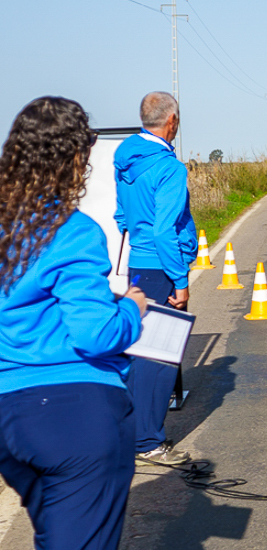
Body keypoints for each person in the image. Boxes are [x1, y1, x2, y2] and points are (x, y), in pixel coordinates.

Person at [0, 96, 147, 550]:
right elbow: (95, 334)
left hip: (9, 419)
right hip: (76, 416)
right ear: (75, 158)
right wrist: (131, 309)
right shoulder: (71, 229)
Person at [113, 91, 196, 466]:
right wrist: (180, 280)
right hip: (162, 267)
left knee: (138, 350)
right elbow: (164, 230)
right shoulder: (169, 168)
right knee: (159, 357)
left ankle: (131, 432)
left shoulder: (126, 157)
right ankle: (148, 441)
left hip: (138, 265)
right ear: (171, 121)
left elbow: (121, 215)